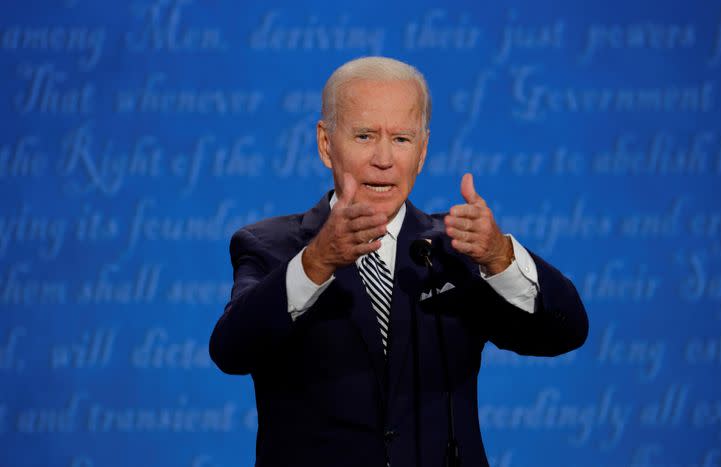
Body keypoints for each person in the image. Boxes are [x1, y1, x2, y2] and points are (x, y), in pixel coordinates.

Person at [209, 56, 588, 467]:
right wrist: (317, 262)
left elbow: (564, 332)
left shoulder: (458, 251)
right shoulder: (271, 247)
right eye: (365, 136)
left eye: (402, 139)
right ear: (325, 144)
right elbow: (232, 351)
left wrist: (500, 257)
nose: (384, 159)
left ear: (423, 151)